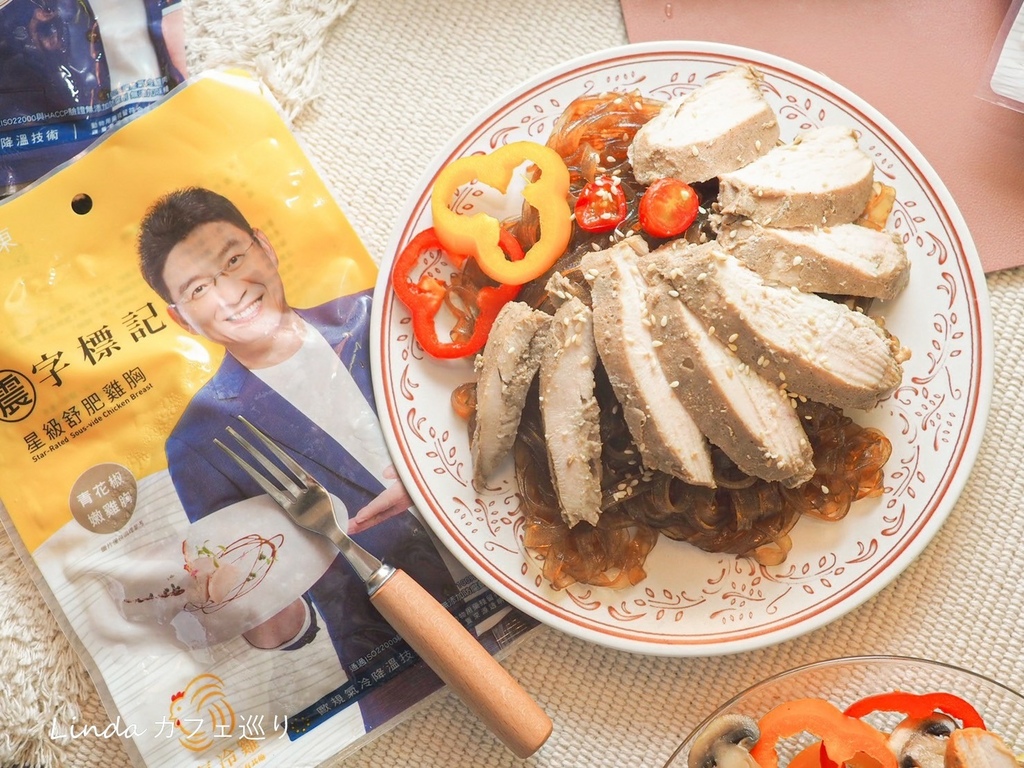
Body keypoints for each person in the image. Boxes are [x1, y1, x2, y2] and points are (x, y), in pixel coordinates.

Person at [136, 186, 463, 732]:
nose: (230, 294)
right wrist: (254, 609)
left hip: (515, 566)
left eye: (233, 260)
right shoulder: (199, 440)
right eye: (199, 288)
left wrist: (431, 476)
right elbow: (290, 624)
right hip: (403, 666)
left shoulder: (376, 312)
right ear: (182, 317)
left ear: (265, 247)